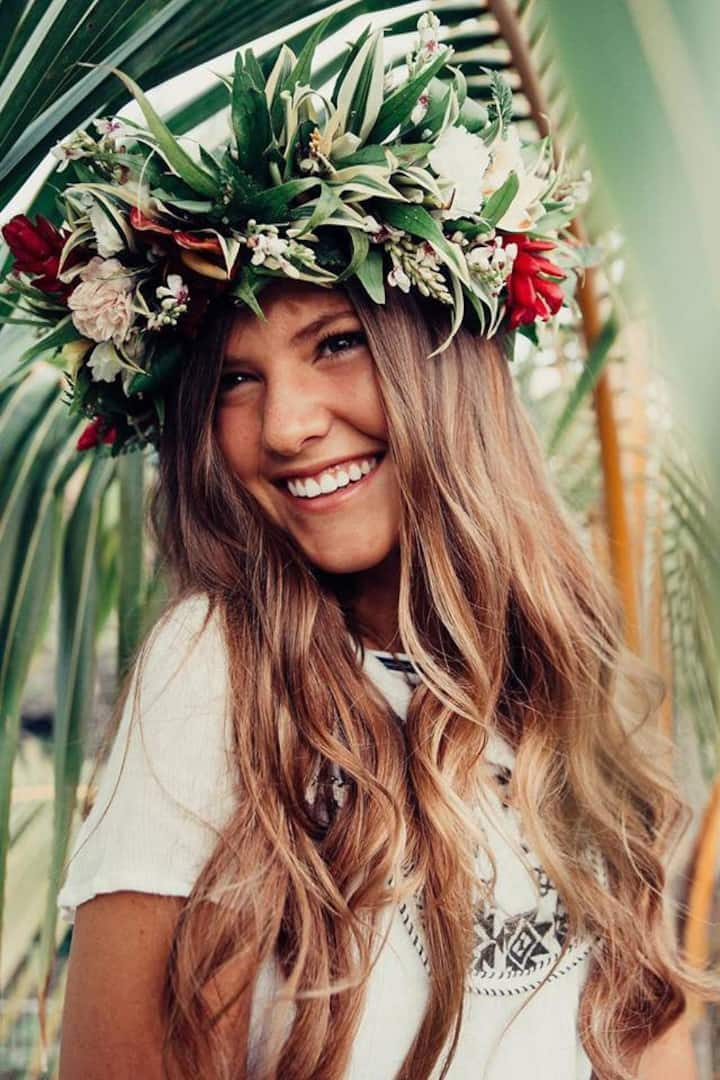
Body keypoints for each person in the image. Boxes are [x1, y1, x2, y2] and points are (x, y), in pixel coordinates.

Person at [2, 13, 715, 1079]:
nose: (285, 424)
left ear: (448, 366)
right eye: (236, 378)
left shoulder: (569, 696)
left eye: (335, 344)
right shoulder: (221, 676)